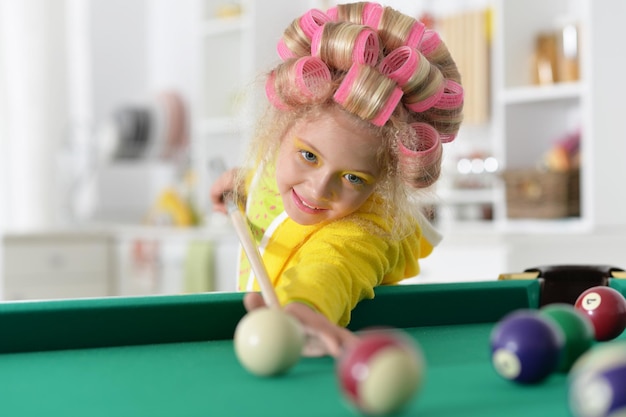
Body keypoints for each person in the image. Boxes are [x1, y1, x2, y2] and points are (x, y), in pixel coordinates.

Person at [210, 2, 464, 357]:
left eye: (352, 178)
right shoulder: (280, 167)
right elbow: (269, 180)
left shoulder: (367, 231)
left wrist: (306, 306)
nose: (317, 189)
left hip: (308, 347)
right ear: (280, 130)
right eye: (309, 156)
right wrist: (244, 183)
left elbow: (334, 267)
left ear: (381, 180)